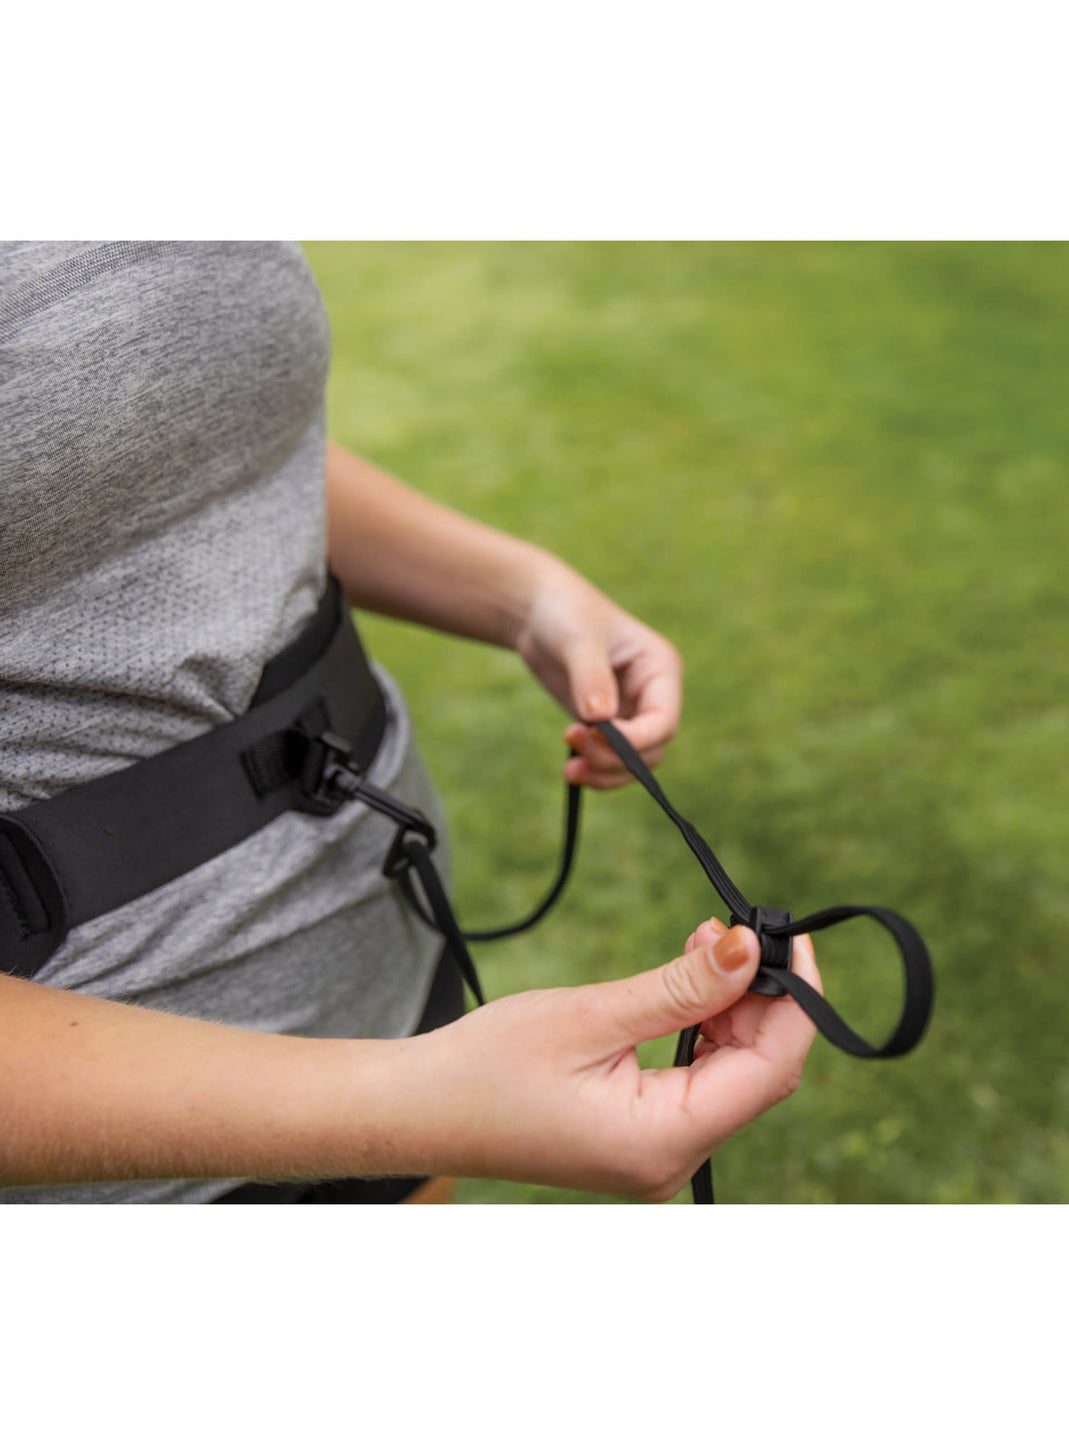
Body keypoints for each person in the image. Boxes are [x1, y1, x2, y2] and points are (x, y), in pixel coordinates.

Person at [0, 240, 819, 1203]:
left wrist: (521, 595)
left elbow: (170, 441)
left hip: (378, 947)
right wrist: (417, 1102)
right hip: (106, 1144)